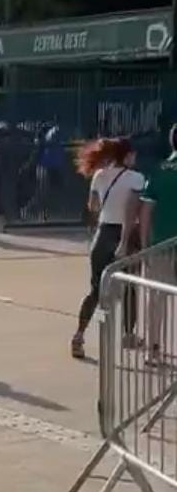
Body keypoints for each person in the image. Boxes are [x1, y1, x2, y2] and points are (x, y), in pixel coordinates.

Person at [71, 137, 143, 359]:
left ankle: (79, 335)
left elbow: (93, 206)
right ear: (127, 155)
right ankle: (128, 334)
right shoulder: (136, 178)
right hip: (126, 234)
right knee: (130, 287)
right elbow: (135, 210)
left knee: (96, 289)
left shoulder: (99, 175)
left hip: (103, 233)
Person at [140, 125, 177, 355]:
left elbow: (146, 211)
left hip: (161, 243)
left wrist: (145, 245)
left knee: (156, 297)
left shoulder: (159, 171)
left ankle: (153, 346)